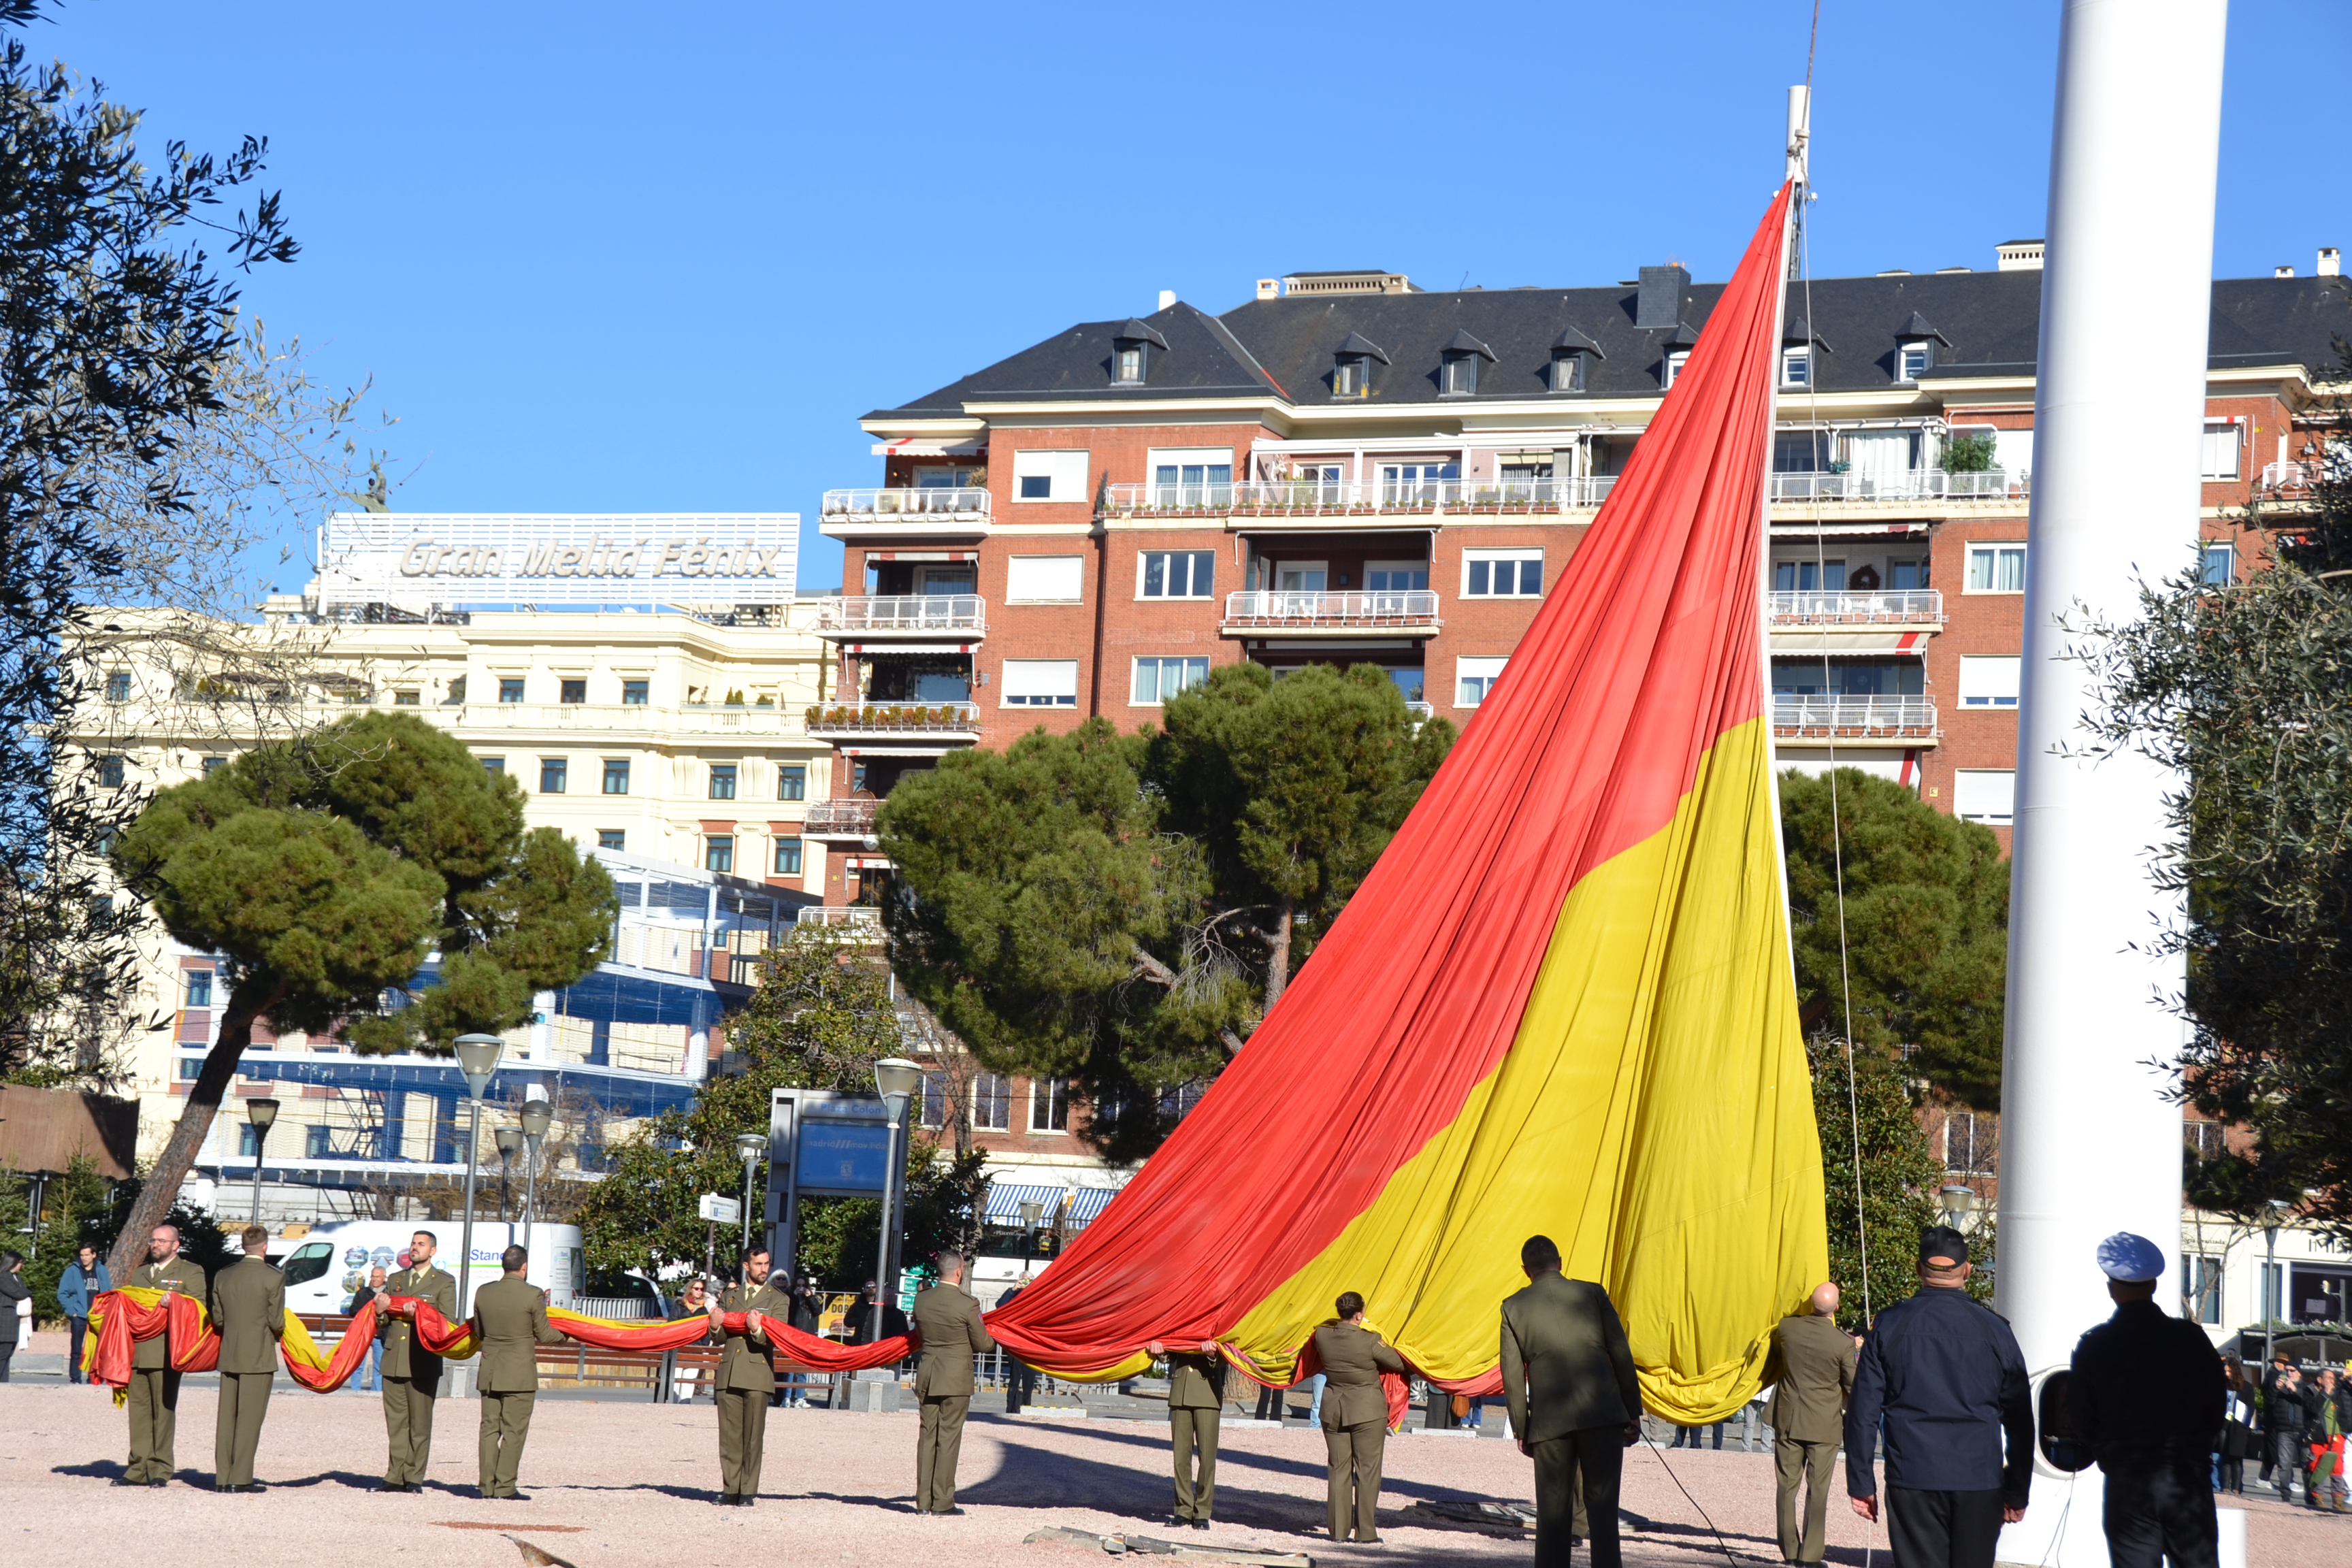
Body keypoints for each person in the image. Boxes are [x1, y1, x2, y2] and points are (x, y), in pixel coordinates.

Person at [1844, 1226, 2031, 1568]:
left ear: (1919, 1270)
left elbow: (1863, 1411)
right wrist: (2017, 1488)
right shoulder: (1995, 1329)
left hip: (1913, 1474)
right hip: (1979, 1478)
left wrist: (1861, 1481)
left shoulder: (1890, 1325)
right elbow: (2020, 1417)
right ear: (1968, 1270)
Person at [2066, 1232, 2226, 1568]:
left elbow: (2081, 1417)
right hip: (2186, 1475)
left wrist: (2108, 1453)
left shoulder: (2095, 1345)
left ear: (2111, 1288)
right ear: (2154, 1286)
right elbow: (2216, 1405)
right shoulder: (2191, 1339)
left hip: (2129, 1478)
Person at [1500, 1235, 1642, 1568]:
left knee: (1552, 1515)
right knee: (1604, 1512)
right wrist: (1632, 1411)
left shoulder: (1513, 1307)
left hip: (1550, 1422)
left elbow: (1512, 1375)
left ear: (1525, 1270)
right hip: (1603, 1413)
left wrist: (1522, 1427)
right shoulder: (1592, 1293)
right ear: (1561, 1262)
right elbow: (1621, 1354)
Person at [1763, 1281, 1857, 1567]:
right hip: (1823, 1424)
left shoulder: (1788, 1328)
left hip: (1789, 1419)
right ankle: (1810, 1556)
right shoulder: (1842, 1342)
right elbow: (1853, 1384)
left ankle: (1790, 1551)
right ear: (1836, 1308)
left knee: (1786, 1488)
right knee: (1817, 1491)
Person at [469, 1243, 564, 1500]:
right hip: (519, 1373)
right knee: (514, 1431)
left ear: (503, 1266)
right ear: (525, 1267)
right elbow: (544, 1334)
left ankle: (486, 1487)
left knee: (489, 1429)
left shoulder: (483, 1292)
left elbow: (479, 1332)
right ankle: (505, 1487)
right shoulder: (532, 1295)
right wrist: (566, 1335)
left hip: (490, 1370)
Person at [1315, 1290, 1405, 1546]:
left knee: (1338, 1469)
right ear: (1360, 1314)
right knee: (1367, 1471)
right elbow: (1398, 1363)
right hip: (1367, 1411)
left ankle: (1338, 1531)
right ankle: (1365, 1532)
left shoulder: (1322, 1336)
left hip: (1334, 1408)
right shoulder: (1370, 1340)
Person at [118, 1224, 204, 1487]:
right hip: (139, 1351)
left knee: (163, 1411)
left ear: (175, 1245)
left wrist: (176, 1302)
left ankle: (160, 1468)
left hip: (168, 1352)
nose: (155, 1245)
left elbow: (199, 1307)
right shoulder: (141, 1274)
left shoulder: (190, 1272)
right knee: (139, 1411)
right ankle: (137, 1467)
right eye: (153, 1241)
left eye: (162, 1241)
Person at [909, 1248, 994, 1514]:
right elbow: (983, 1344)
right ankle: (943, 1502)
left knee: (927, 1437)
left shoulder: (921, 1300)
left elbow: (922, 1335)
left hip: (928, 1373)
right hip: (955, 1377)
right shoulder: (967, 1303)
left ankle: (923, 1502)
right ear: (960, 1271)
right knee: (948, 1438)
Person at [707, 1249, 791, 1506]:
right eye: (758, 1264)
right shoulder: (731, 1296)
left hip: (757, 1372)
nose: (763, 1268)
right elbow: (719, 1338)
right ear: (746, 1266)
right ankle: (730, 1489)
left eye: (766, 1263)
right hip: (730, 1371)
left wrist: (757, 1331)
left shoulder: (778, 1299)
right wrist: (715, 1325)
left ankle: (748, 1491)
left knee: (753, 1437)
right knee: (730, 1436)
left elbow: (777, 1336)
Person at [208, 1224, 284, 1492]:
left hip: (230, 1352)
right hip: (258, 1355)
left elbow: (217, 1319)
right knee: (250, 1419)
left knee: (226, 1418)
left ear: (243, 1247)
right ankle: (240, 1478)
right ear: (265, 1247)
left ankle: (223, 1477)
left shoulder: (224, 1276)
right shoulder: (272, 1277)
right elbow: (276, 1321)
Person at [378, 1229, 456, 1492]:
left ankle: (414, 1477)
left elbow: (447, 1320)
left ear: (432, 1251)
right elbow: (384, 1321)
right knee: (396, 1423)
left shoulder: (443, 1282)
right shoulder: (396, 1279)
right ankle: (394, 1475)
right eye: (413, 1243)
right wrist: (380, 1312)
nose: (415, 1248)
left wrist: (419, 1315)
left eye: (421, 1244)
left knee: (419, 1423)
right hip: (394, 1359)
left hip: (422, 1359)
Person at [1149, 1336, 1226, 1530]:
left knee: (1207, 1458)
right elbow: (1173, 1345)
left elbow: (1231, 1350)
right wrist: (1162, 1352)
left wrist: (1214, 1355)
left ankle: (1202, 1511)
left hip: (1207, 1390)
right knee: (1180, 1457)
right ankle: (1183, 1509)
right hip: (1180, 1389)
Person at [57, 1243, 108, 1386]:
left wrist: (105, 1310)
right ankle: (75, 1378)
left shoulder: (102, 1270)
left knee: (97, 1348)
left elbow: (108, 1292)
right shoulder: (72, 1271)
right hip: (79, 1315)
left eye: (87, 1255)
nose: (84, 1258)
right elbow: (62, 1293)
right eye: (82, 1255)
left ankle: (94, 1377)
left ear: (94, 1255)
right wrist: (72, 1311)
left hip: (97, 1315)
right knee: (77, 1349)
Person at [2301, 1367, 2349, 1513]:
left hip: (2336, 1436)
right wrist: (2325, 1393)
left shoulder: (2337, 1392)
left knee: (2337, 1469)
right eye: (2328, 1378)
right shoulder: (2310, 1392)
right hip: (2319, 1436)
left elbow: (2345, 1408)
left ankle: (2338, 1501)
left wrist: (2345, 1379)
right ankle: (2318, 1498)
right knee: (2317, 1466)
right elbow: (2313, 1409)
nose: (2331, 1381)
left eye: (2333, 1379)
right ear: (2320, 1379)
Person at [2261, 1353, 2305, 1503]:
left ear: (2299, 1372)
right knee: (2284, 1465)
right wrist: (2275, 1388)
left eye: (2292, 1370)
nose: (2289, 1373)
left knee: (2306, 1464)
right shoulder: (2279, 1385)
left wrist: (2295, 1390)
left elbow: (2311, 1403)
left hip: (2302, 1431)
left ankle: (2312, 1494)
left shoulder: (2305, 1387)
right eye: (2287, 1370)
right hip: (2284, 1430)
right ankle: (2285, 1494)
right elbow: (2269, 1401)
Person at [996, 1281, 1040, 1414]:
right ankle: (1010, 1409)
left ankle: (1026, 1408)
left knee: (1029, 1381)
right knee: (1014, 1380)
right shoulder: (1014, 1297)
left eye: (1029, 1280)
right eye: (1024, 1279)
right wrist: (1013, 1290)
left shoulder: (1036, 1297)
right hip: (1015, 1345)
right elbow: (1000, 1306)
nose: (1026, 1283)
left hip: (1031, 1346)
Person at [2217, 1358, 2254, 1497]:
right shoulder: (2222, 1385)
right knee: (2225, 1457)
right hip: (2224, 1425)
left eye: (2229, 1371)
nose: (2227, 1374)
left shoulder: (2247, 1387)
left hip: (2238, 1426)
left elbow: (2251, 1408)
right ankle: (2225, 1487)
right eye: (2225, 1371)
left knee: (2236, 1458)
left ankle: (2236, 1487)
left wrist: (2245, 1425)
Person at [348, 1266, 388, 1393]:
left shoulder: (388, 1294)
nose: (374, 1279)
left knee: (379, 1367)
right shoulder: (363, 1293)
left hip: (380, 1335)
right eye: (373, 1276)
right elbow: (352, 1310)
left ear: (384, 1278)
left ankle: (376, 1392)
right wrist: (366, 1312)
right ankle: (355, 1391)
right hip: (363, 1334)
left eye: (377, 1277)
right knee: (358, 1364)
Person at [0, 1250, 27, 1382]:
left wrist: (24, 1294)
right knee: (3, 1354)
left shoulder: (16, 1277)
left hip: (13, 1322)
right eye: (21, 1262)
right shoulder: (4, 1277)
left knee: (8, 1354)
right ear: (14, 1262)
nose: (22, 1266)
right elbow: (20, 1294)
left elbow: (24, 1292)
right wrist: (23, 1295)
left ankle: (4, 1385)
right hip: (4, 1323)